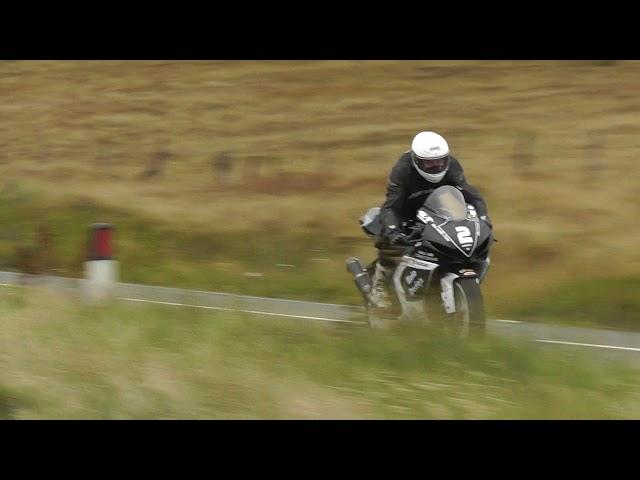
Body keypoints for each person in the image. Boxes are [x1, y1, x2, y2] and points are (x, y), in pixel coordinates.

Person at [370, 131, 492, 308]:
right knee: (391, 242)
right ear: (417, 160)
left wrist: (483, 220)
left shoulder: (452, 166)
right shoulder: (402, 170)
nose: (436, 165)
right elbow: (391, 206)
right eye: (429, 162)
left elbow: (472, 195)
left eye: (440, 161)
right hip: (406, 211)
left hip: (437, 209)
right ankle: (379, 285)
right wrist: (392, 230)